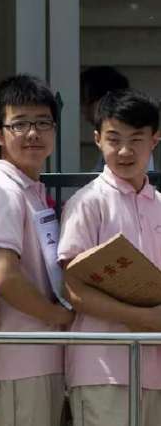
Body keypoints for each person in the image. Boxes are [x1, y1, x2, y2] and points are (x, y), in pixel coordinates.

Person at [0, 75, 71, 426]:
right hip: (14, 364)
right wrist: (58, 317)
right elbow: (3, 276)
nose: (33, 133)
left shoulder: (29, 189)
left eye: (43, 123)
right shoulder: (3, 192)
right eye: (20, 124)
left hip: (35, 360)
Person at [59, 90, 161, 423]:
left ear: (154, 140)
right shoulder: (86, 203)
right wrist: (145, 320)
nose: (125, 151)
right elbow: (72, 289)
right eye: (114, 139)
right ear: (97, 139)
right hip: (102, 369)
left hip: (155, 372)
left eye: (136, 139)